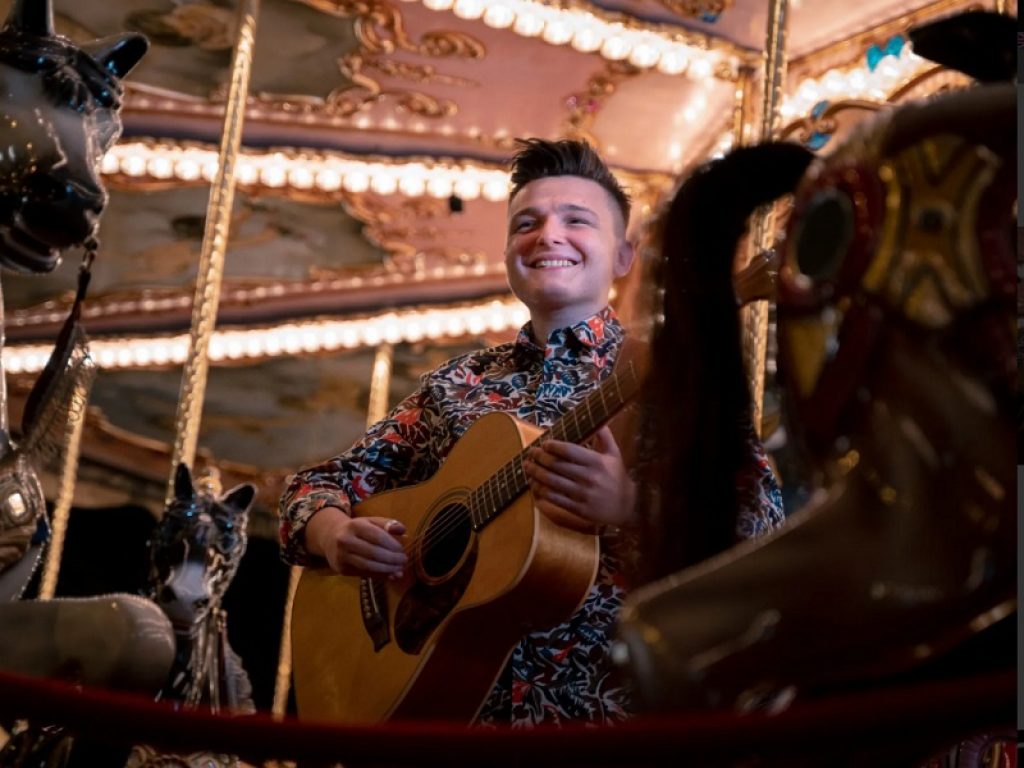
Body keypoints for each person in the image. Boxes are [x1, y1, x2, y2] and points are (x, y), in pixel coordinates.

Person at [278, 138, 783, 726]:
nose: (548, 235)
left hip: (605, 722)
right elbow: (315, 485)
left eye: (577, 220)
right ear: (508, 252)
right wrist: (335, 533)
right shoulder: (457, 385)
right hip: (452, 724)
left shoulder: (680, 382)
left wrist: (632, 505)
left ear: (624, 257)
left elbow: (762, 528)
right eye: (527, 223)